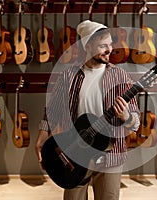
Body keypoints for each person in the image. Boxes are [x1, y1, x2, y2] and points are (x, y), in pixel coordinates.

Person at [35, 20, 140, 200]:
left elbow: (135, 122)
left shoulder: (120, 76)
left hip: (110, 157)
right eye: (102, 45)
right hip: (75, 153)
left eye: (110, 44)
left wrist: (127, 116)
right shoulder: (69, 75)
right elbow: (53, 110)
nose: (109, 49)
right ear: (88, 46)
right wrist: (43, 135)